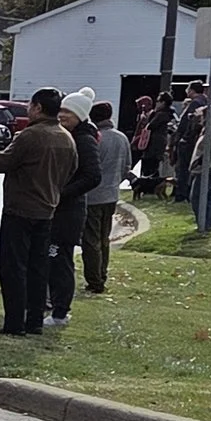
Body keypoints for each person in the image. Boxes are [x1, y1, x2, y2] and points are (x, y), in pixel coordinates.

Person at [0, 88, 78, 337]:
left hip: (20, 210)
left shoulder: (30, 136)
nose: (27, 109)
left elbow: (0, 163)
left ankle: (14, 322)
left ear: (37, 108)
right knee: (38, 268)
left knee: (13, 268)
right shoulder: (66, 137)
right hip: (47, 211)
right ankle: (34, 320)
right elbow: (72, 171)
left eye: (30, 105)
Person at [46, 89, 102, 322]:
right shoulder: (68, 136)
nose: (62, 115)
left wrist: (61, 193)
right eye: (61, 110)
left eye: (68, 112)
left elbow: (93, 176)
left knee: (60, 261)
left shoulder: (84, 140)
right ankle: (50, 305)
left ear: (80, 115)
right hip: (58, 208)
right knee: (53, 260)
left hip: (68, 211)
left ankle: (60, 312)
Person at [81, 100, 132, 288]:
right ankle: (102, 273)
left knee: (90, 239)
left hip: (92, 195)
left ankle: (94, 279)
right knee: (104, 238)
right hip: (112, 194)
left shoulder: (95, 138)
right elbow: (127, 166)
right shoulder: (121, 138)